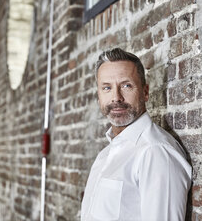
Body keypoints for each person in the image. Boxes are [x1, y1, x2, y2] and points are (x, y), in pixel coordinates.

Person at [81, 48, 192, 221]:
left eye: (126, 86)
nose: (116, 97)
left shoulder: (155, 152)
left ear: (145, 92)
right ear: (99, 96)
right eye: (107, 88)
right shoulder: (106, 154)